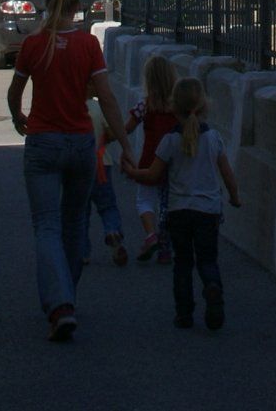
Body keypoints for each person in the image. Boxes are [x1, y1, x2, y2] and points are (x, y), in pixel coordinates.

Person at [7, 0, 133, 342]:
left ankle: (60, 304)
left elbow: (15, 91)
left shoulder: (33, 44)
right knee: (76, 222)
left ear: (46, 4)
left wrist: (18, 117)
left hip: (43, 142)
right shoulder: (88, 44)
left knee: (46, 226)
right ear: (78, 7)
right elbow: (106, 98)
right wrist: (124, 143)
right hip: (81, 142)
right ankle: (67, 297)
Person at [123, 76, 241, 331]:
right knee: (208, 258)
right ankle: (212, 287)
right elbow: (227, 173)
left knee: (183, 262)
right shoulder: (213, 138)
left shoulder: (170, 141)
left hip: (179, 211)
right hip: (208, 211)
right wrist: (234, 196)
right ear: (204, 106)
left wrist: (133, 172)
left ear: (173, 107)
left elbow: (153, 175)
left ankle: (184, 313)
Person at [123, 55, 180, 264]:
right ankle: (166, 244)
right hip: (174, 161)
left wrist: (112, 136)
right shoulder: (178, 107)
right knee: (168, 203)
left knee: (144, 200)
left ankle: (150, 234)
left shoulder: (145, 105)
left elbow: (128, 127)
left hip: (150, 158)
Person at [84, 98, 127, 266]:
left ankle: (83, 252)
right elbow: (111, 132)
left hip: (79, 166)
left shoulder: (72, 105)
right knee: (108, 205)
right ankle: (112, 230)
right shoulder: (97, 107)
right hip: (102, 163)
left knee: (81, 211)